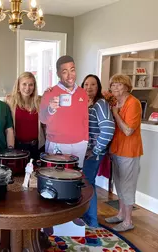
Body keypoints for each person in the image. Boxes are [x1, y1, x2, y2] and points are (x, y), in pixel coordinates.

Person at [104, 74, 143, 232]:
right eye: (113, 85)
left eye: (119, 85)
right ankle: (120, 214)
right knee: (119, 184)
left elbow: (128, 131)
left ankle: (128, 221)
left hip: (129, 151)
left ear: (127, 86)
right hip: (117, 149)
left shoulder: (133, 103)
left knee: (127, 186)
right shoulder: (116, 102)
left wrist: (115, 114)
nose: (115, 88)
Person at [39, 55, 89, 168]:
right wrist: (51, 109)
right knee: (56, 177)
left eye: (72, 70)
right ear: (58, 74)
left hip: (80, 145)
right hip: (57, 144)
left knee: (76, 177)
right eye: (65, 72)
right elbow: (42, 119)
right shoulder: (49, 93)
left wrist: (85, 140)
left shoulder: (82, 93)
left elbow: (84, 119)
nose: (70, 75)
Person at [81, 74, 115, 228]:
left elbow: (108, 129)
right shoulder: (87, 104)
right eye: (86, 84)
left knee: (88, 183)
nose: (89, 87)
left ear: (98, 87)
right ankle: (86, 217)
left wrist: (95, 150)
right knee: (85, 183)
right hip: (85, 151)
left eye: (93, 84)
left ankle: (93, 221)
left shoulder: (100, 104)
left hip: (93, 153)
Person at [5, 72, 45, 160]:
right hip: (17, 147)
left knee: (36, 172)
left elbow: (46, 123)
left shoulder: (40, 101)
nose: (27, 88)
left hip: (37, 147)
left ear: (34, 87)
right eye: (24, 84)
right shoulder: (9, 101)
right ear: (18, 86)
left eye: (31, 85)